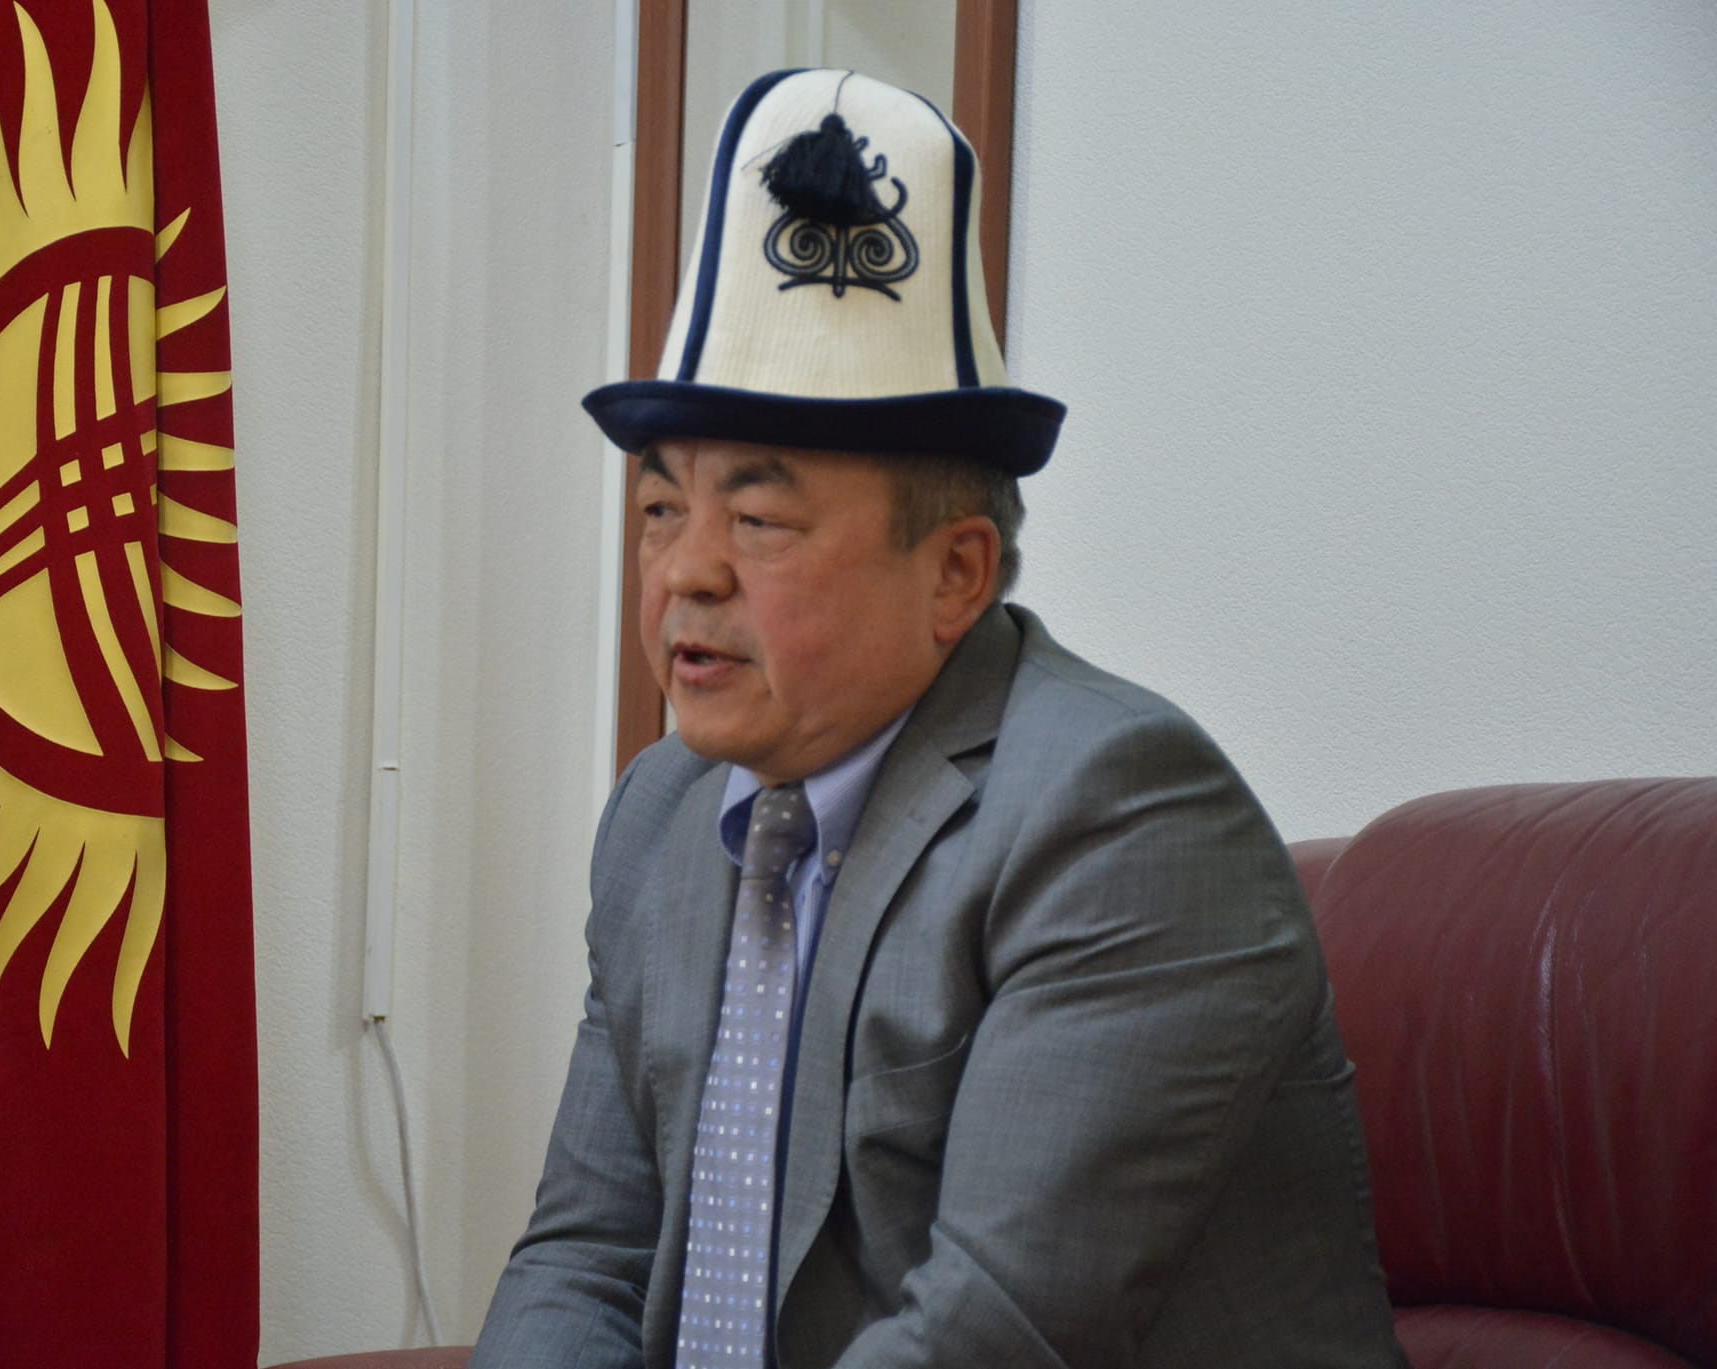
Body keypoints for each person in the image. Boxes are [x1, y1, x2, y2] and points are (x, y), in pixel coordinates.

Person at [472, 69, 1405, 1368]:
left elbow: (994, 1329)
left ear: (956, 574)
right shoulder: (661, 817)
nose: (685, 570)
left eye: (759, 517)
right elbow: (586, 1257)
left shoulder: (1121, 820)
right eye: (660, 508)